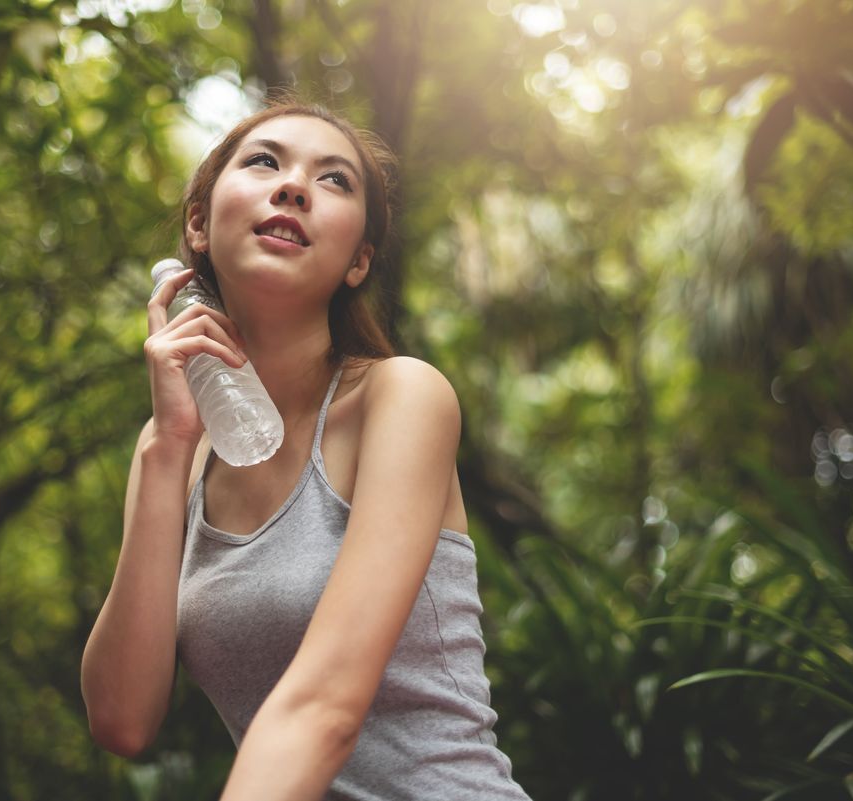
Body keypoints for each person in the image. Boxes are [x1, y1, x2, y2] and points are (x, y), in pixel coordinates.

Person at [80, 98, 531, 801]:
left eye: (335, 181)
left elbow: (325, 708)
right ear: (198, 224)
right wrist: (167, 446)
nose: (293, 186)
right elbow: (122, 720)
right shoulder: (173, 452)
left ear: (359, 262)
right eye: (264, 161)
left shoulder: (401, 397)